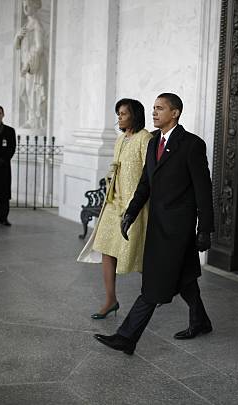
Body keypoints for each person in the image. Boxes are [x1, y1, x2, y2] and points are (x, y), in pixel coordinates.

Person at [93, 93, 214, 355]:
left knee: (154, 283)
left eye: (160, 108)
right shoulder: (153, 143)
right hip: (156, 223)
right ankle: (200, 321)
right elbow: (146, 184)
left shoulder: (192, 144)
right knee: (184, 277)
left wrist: (205, 229)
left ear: (176, 113)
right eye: (154, 108)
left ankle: (126, 336)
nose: (155, 112)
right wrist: (130, 214)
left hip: (178, 228)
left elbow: (204, 190)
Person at [77, 99, 151, 319]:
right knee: (106, 248)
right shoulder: (120, 139)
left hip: (134, 205)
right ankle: (110, 299)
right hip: (113, 203)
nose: (119, 117)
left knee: (140, 252)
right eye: (118, 113)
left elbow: (150, 175)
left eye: (123, 114)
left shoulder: (144, 138)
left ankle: (153, 296)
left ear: (135, 115)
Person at [14, 0, 46, 129]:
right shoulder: (26, 26)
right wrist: (17, 37)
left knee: (32, 92)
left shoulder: (36, 25)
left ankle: (34, 120)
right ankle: (31, 118)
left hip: (33, 66)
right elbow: (17, 47)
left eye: (28, 5)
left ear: (35, 6)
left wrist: (28, 63)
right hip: (25, 65)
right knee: (23, 92)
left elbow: (39, 47)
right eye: (24, 5)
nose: (25, 7)